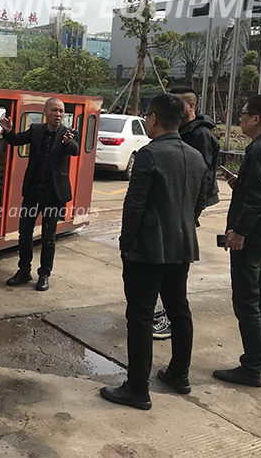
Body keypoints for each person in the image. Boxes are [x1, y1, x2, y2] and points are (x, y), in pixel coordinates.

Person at [100, 94, 208, 410]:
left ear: (153, 118)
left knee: (141, 316)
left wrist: (126, 242)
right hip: (183, 246)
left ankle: (137, 388)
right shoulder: (196, 156)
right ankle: (179, 374)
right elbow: (200, 203)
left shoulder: (149, 155)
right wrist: (185, 224)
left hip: (147, 250)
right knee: (179, 310)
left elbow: (133, 205)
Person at [213, 94, 261, 387]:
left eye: (243, 114)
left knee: (246, 301)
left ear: (256, 118)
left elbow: (259, 199)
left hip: (252, 237)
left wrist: (239, 231)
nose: (240, 119)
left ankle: (251, 367)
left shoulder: (260, 149)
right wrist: (241, 183)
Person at [150, 86, 222, 340]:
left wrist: (190, 216)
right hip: (175, 206)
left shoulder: (199, 135)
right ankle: (168, 308)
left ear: (191, 107)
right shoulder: (182, 131)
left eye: (178, 103)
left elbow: (200, 179)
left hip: (185, 207)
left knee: (175, 264)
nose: (174, 107)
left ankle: (172, 317)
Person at [0, 97, 79, 292]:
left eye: (61, 111)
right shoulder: (36, 130)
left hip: (54, 194)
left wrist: (68, 144)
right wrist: (9, 131)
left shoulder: (69, 133)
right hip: (34, 191)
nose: (58, 114)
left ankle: (44, 274)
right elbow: (17, 140)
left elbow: (75, 150)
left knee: (48, 236)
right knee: (24, 233)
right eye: (54, 110)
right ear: (45, 112)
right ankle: (24, 271)